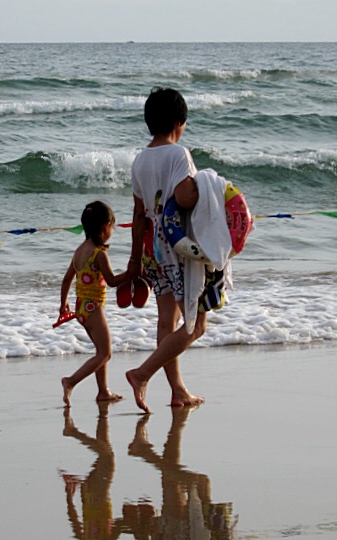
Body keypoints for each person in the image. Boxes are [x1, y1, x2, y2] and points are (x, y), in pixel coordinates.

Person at [126, 87, 206, 413]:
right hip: (178, 248)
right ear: (179, 122)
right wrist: (210, 188)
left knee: (166, 322)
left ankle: (178, 392)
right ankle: (142, 373)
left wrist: (134, 260)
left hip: (152, 249)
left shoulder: (139, 160)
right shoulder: (178, 154)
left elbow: (138, 214)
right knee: (195, 325)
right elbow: (186, 198)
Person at [59, 201, 130, 406]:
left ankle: (103, 391)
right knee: (105, 353)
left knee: (100, 351)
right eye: (113, 227)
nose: (112, 231)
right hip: (92, 308)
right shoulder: (99, 254)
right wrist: (132, 273)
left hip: (82, 307)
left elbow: (66, 280)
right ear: (104, 226)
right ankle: (70, 382)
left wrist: (63, 305)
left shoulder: (79, 251)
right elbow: (113, 281)